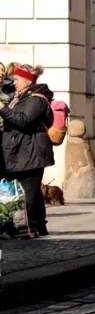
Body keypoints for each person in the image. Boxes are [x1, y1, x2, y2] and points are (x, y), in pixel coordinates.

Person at [0, 64, 54, 237]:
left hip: (31, 150)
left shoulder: (35, 99)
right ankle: (39, 226)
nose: (13, 82)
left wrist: (2, 109)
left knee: (29, 191)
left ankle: (29, 227)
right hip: (22, 150)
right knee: (33, 191)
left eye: (16, 79)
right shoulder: (22, 96)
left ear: (27, 80)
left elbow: (23, 120)